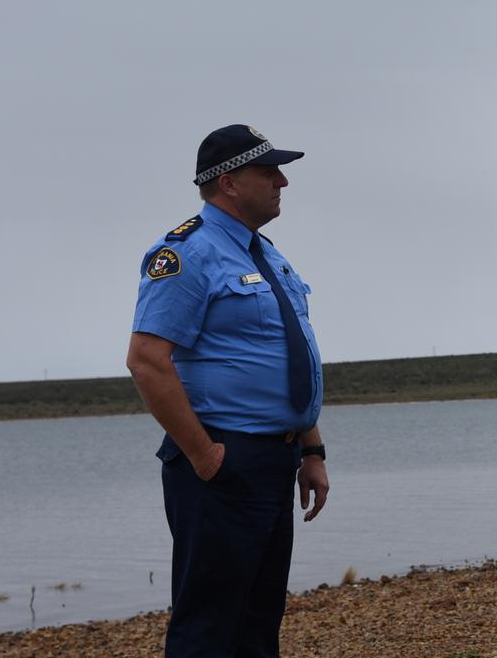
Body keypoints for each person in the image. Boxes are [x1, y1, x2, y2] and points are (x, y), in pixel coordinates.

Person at [126, 124, 329, 657]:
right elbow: (147, 361)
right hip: (221, 460)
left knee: (260, 619)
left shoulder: (267, 255)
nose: (282, 181)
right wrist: (205, 455)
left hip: (275, 456)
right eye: (269, 172)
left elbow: (286, 356)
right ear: (230, 182)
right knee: (208, 625)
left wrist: (310, 448)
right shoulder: (187, 252)